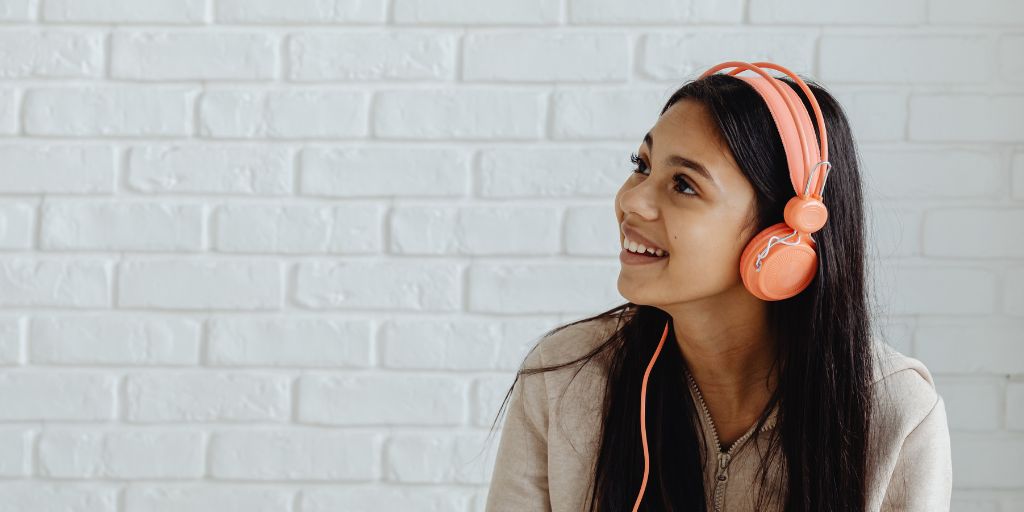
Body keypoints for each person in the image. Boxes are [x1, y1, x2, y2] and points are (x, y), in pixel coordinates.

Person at [482, 66, 952, 511]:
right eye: (642, 166)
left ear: (783, 237)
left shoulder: (895, 413)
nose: (631, 200)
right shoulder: (564, 378)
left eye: (683, 185)